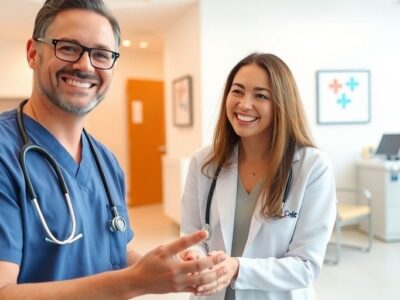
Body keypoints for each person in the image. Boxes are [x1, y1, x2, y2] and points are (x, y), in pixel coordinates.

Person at [0, 0, 227, 298]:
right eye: (68, 47)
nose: (85, 65)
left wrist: (163, 267)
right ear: (33, 53)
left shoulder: (105, 161)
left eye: (101, 54)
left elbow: (114, 249)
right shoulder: (5, 153)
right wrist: (135, 283)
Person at [180, 53, 337, 299]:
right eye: (238, 91)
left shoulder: (312, 167)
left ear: (282, 104)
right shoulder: (204, 163)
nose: (244, 104)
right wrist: (194, 257)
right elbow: (192, 236)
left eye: (261, 95)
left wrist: (237, 268)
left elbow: (306, 265)